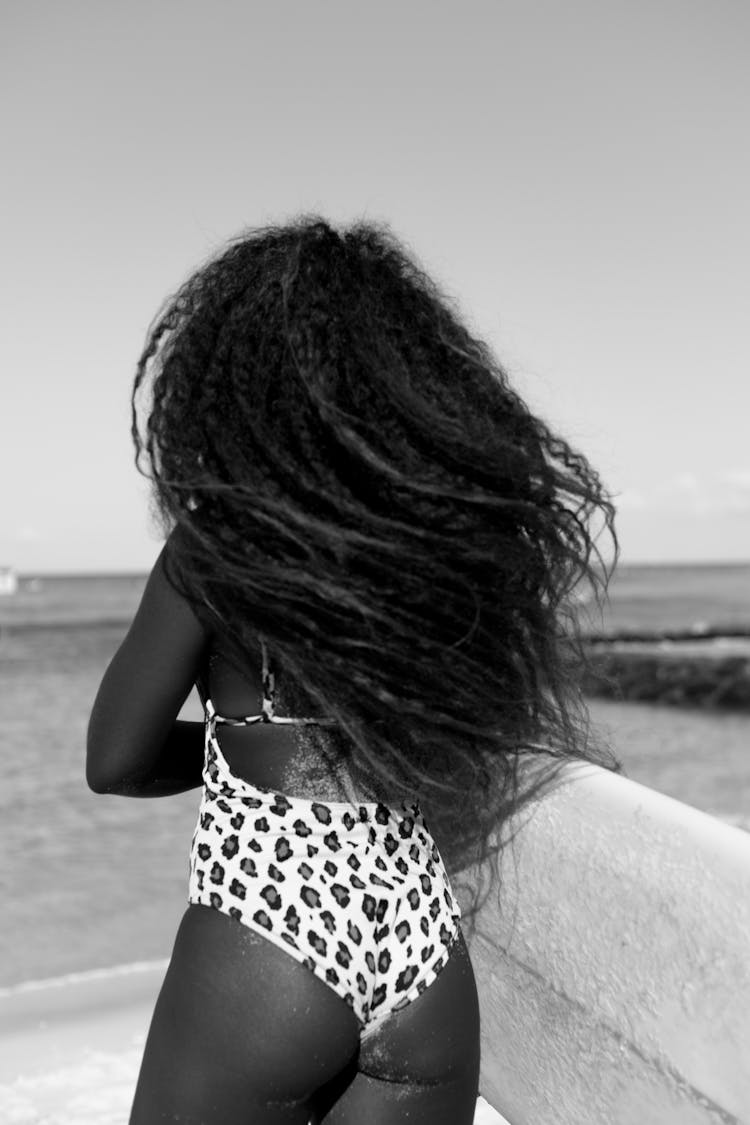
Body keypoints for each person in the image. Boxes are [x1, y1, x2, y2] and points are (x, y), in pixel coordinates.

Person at [87, 216, 621, 1123]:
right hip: (422, 954)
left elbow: (116, 760)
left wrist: (232, 752)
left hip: (269, 939)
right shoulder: (443, 552)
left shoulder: (218, 544)